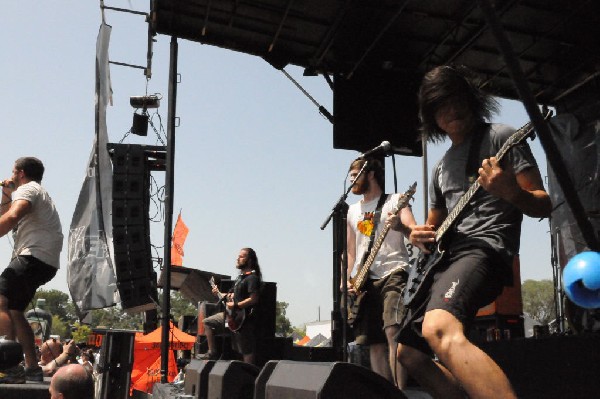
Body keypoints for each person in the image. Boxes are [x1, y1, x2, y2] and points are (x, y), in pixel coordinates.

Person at [395, 65, 552, 398]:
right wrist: (415, 234)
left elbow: (543, 203)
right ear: (431, 115)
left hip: (485, 250)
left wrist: (512, 193)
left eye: (456, 99)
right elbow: (433, 228)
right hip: (447, 261)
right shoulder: (439, 167)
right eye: (440, 104)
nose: (451, 109)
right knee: (409, 355)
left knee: (438, 328)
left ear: (471, 99)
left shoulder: (500, 138)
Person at [345, 157, 416, 388]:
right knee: (373, 342)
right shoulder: (352, 211)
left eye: (355, 175)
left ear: (371, 174)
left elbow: (414, 231)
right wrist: (347, 278)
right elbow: (351, 252)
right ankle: (384, 392)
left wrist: (401, 227)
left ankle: (399, 391)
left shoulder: (396, 201)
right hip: (364, 280)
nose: (352, 181)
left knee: (392, 331)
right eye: (350, 177)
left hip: (394, 270)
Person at [0, 157, 63, 383]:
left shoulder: (29, 189)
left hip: (33, 255)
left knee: (0, 301)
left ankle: (6, 364)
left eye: (13, 172)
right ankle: (31, 367)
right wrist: (7, 193)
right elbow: (6, 216)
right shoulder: (35, 191)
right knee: (15, 310)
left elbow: (13, 216)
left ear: (20, 172)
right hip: (45, 261)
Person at [202, 247, 262, 364]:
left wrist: (235, 305)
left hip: (244, 319)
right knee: (207, 322)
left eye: (241, 257)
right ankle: (212, 353)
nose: (238, 259)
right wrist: (219, 293)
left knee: (246, 350)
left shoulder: (252, 278)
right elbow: (231, 295)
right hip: (231, 316)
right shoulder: (240, 278)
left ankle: (248, 375)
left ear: (249, 261)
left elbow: (254, 299)